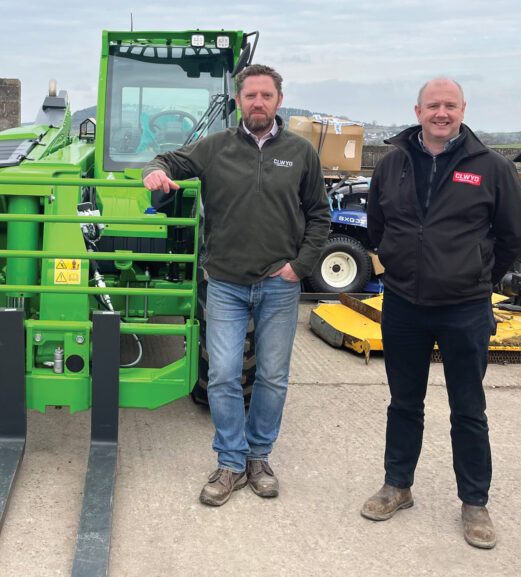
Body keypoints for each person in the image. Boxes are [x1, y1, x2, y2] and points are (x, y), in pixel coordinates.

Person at [142, 64, 331, 507]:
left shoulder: (301, 153)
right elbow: (170, 160)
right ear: (239, 101)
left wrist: (300, 266)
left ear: (278, 101)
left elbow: (319, 215)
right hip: (225, 284)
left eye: (266, 96)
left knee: (272, 376)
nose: (258, 103)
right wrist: (154, 170)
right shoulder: (216, 147)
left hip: (279, 286)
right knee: (224, 375)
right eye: (250, 96)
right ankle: (231, 462)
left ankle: (259, 458)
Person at [361, 78, 521, 549]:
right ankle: (398, 486)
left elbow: (513, 235)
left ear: (462, 110)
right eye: (433, 105)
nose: (441, 113)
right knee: (403, 402)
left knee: (468, 409)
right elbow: (377, 225)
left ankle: (475, 503)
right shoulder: (392, 164)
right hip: (402, 306)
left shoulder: (492, 168)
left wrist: (476, 276)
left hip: (465, 308)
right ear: (418, 111)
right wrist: (398, 262)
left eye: (449, 105)